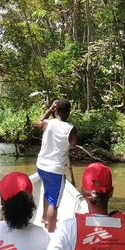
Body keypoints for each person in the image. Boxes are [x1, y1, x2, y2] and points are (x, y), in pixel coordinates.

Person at [35, 98, 77, 233]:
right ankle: (51, 231)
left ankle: (44, 217)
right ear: (69, 112)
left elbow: (39, 122)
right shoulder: (71, 128)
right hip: (56, 170)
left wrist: (49, 109)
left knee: (47, 191)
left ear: (56, 111)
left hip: (41, 166)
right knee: (54, 202)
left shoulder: (48, 124)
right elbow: (73, 145)